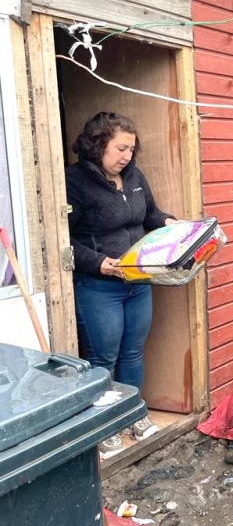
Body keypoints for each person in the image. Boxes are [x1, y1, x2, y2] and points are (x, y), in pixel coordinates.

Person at [66, 112, 178, 455]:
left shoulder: (134, 176)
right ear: (98, 144)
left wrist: (170, 222)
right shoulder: (74, 181)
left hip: (138, 279)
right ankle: (103, 425)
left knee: (132, 352)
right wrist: (99, 262)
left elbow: (149, 215)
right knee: (103, 358)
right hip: (99, 287)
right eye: (120, 148)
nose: (127, 156)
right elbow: (63, 239)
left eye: (131, 149)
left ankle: (132, 413)